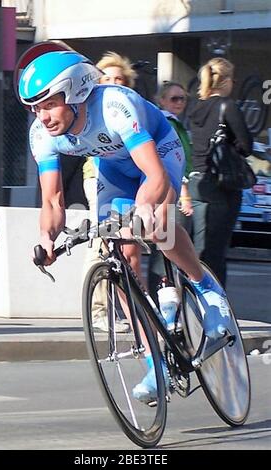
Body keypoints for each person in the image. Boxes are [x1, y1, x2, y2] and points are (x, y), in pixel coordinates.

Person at [18, 50, 233, 404]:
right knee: (114, 249)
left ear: (75, 93)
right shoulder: (42, 133)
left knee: (156, 225)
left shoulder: (114, 105)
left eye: (49, 105)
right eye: (35, 108)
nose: (42, 116)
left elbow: (154, 175)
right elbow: (53, 201)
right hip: (113, 167)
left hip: (159, 151)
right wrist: (46, 237)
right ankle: (155, 362)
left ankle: (205, 287)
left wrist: (146, 209)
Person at [82, 51, 138, 333]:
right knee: (102, 242)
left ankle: (131, 309)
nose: (113, 83)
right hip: (98, 179)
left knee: (127, 247)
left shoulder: (129, 111)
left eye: (119, 79)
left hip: (125, 184)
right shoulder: (93, 110)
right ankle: (99, 311)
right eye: (106, 78)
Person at [188, 57, 253, 287]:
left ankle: (191, 299)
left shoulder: (196, 109)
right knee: (215, 252)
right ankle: (214, 306)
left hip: (198, 181)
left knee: (199, 247)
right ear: (225, 81)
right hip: (222, 185)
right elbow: (246, 146)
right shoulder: (228, 105)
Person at [148, 81, 194, 302]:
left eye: (183, 99)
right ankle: (164, 294)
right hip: (168, 187)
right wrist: (184, 193)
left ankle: (170, 293)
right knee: (166, 240)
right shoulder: (168, 123)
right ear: (162, 100)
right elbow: (173, 159)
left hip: (171, 185)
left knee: (166, 240)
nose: (180, 103)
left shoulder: (177, 123)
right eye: (174, 98)